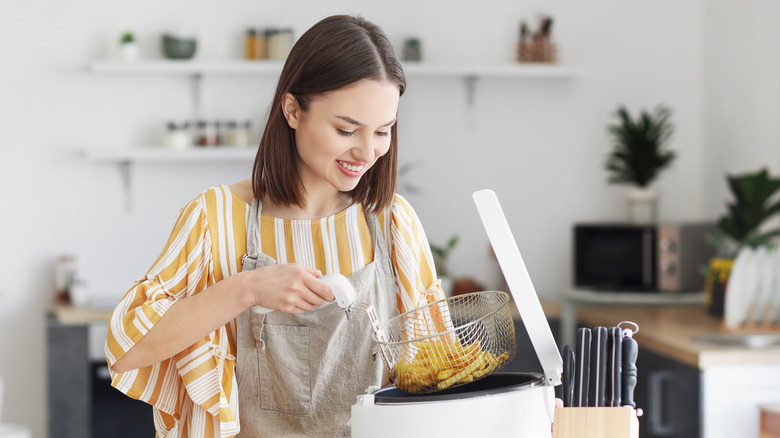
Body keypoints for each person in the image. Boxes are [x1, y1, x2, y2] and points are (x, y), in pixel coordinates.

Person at [105, 14, 445, 438]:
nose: (366, 151)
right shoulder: (215, 218)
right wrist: (245, 289)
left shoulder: (394, 223)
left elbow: (437, 377)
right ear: (292, 110)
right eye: (346, 129)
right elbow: (126, 350)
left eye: (383, 131)